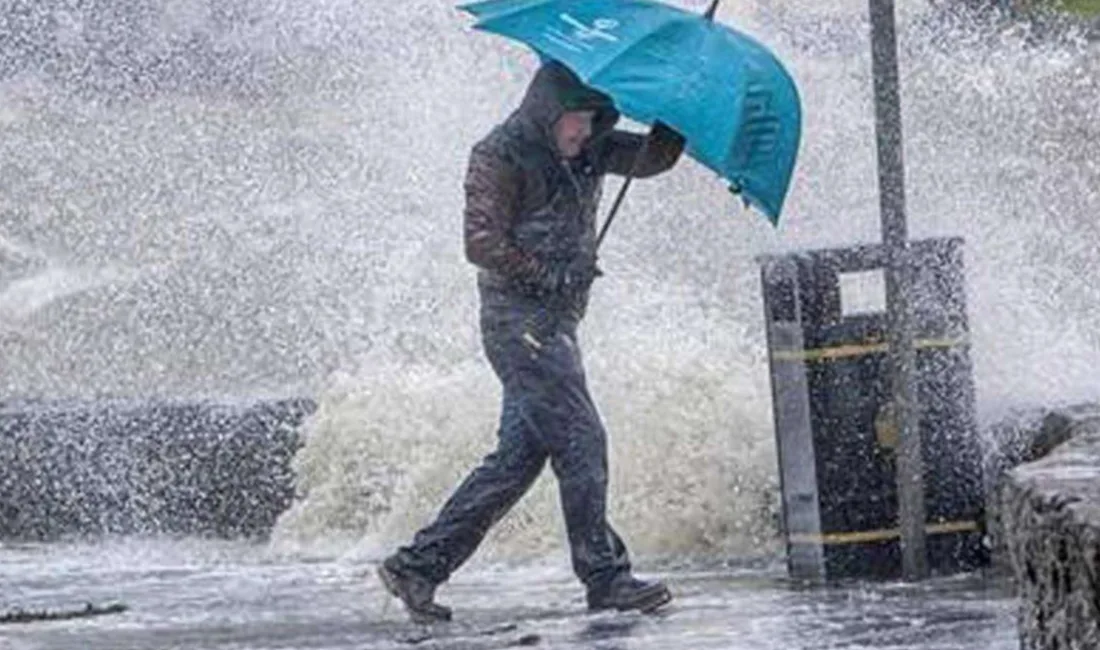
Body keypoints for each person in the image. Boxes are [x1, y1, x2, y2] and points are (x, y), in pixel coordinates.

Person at [377, 60, 685, 623]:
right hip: (517, 325)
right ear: (547, 112)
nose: (584, 132)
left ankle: (417, 566)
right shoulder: (499, 154)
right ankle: (606, 578)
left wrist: (676, 113)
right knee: (582, 439)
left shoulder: (590, 147)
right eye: (575, 119)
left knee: (517, 460)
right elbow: (479, 242)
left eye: (593, 119)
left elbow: (651, 159)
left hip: (556, 324)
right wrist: (549, 276)